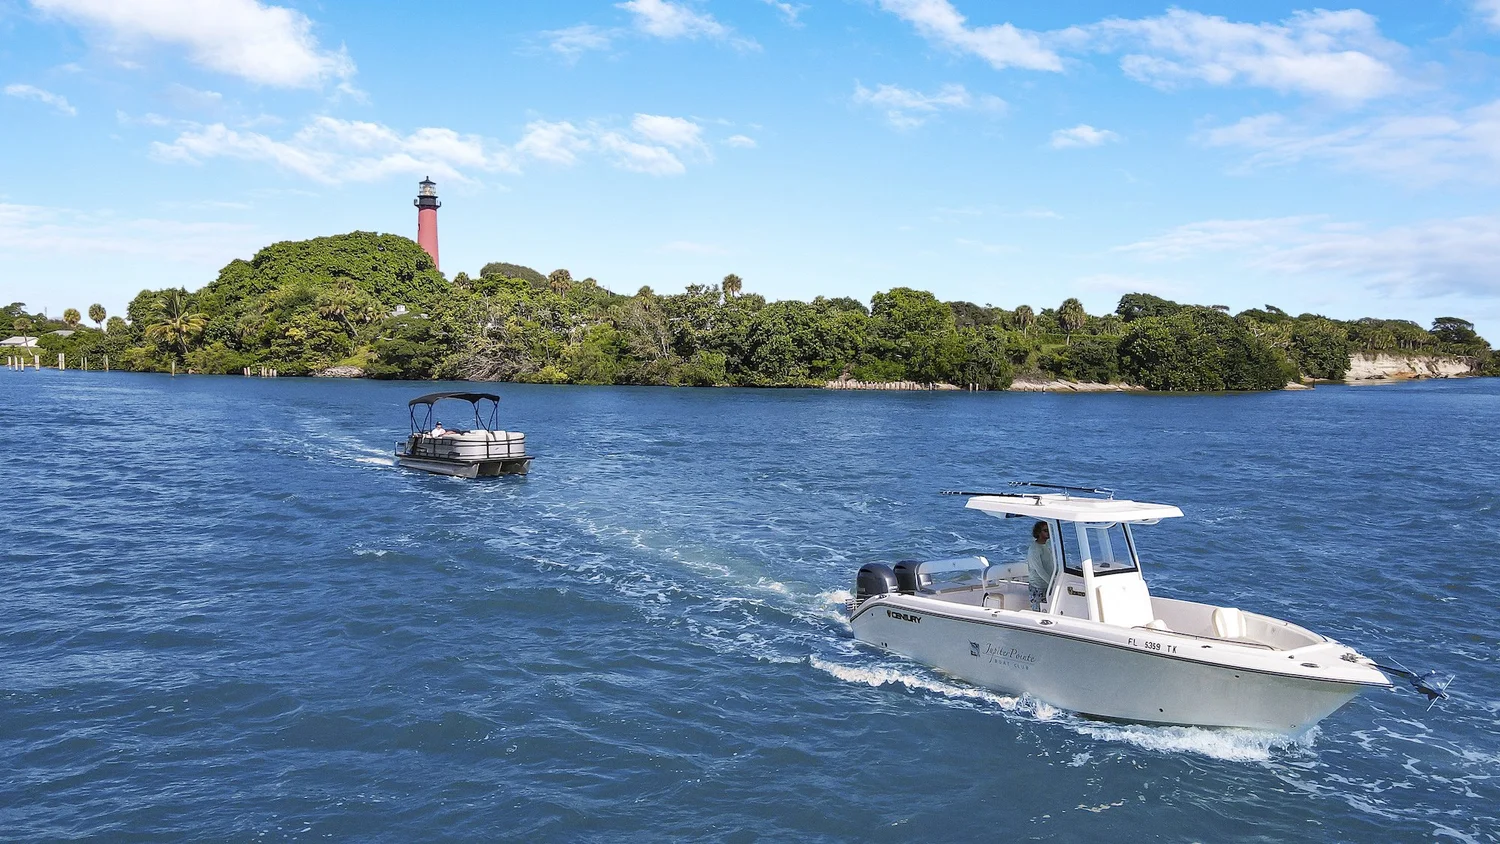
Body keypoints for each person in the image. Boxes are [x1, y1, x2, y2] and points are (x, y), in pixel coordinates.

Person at [1026, 521, 1057, 611]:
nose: (1048, 532)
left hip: (1048, 585)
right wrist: (1053, 584)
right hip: (1038, 587)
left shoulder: (1047, 545)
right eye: (1045, 530)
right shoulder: (1034, 549)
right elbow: (1040, 570)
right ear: (1038, 532)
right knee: (1039, 612)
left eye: (1049, 530)